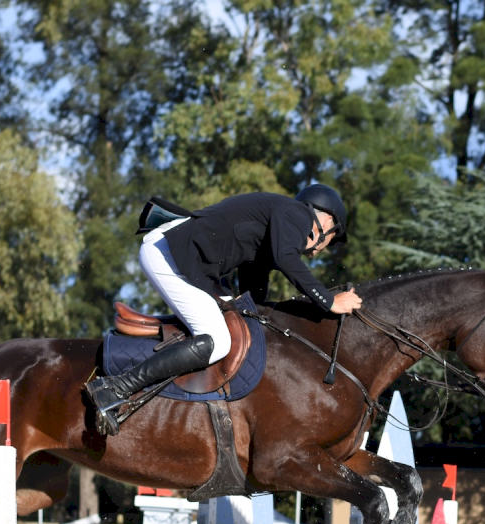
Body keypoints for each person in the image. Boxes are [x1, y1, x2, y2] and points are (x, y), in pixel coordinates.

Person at [85, 185, 363, 435]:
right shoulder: (296, 213)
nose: (319, 251)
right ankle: (115, 388)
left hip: (183, 259)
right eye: (330, 239)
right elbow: (286, 258)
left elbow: (255, 287)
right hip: (170, 256)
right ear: (326, 220)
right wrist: (329, 301)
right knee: (217, 341)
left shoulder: (275, 224)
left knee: (234, 329)